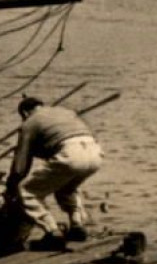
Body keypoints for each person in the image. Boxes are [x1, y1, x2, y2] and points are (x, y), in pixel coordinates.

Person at [8, 96, 104, 242]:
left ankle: (52, 231)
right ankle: (77, 224)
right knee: (67, 187)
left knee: (26, 191)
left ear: (25, 113)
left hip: (71, 154)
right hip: (95, 153)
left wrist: (12, 184)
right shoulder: (65, 111)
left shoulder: (29, 123)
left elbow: (21, 166)